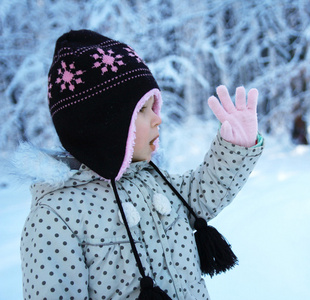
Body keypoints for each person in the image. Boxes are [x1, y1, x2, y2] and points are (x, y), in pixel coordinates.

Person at [19, 29, 263, 299]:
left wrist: (236, 148)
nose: (157, 119)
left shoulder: (152, 179)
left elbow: (201, 193)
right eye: (143, 110)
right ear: (105, 124)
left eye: (153, 107)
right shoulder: (57, 217)